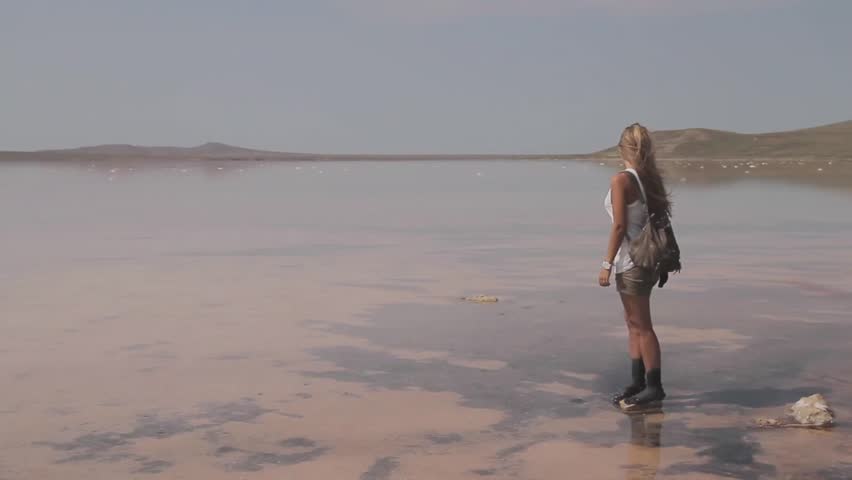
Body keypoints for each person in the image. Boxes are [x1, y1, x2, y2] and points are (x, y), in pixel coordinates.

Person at [599, 123, 672, 408]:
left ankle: (654, 386)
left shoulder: (622, 180)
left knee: (642, 326)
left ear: (622, 149)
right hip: (646, 260)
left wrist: (606, 263)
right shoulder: (650, 178)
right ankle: (637, 381)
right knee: (633, 324)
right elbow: (661, 222)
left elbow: (619, 226)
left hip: (632, 261)